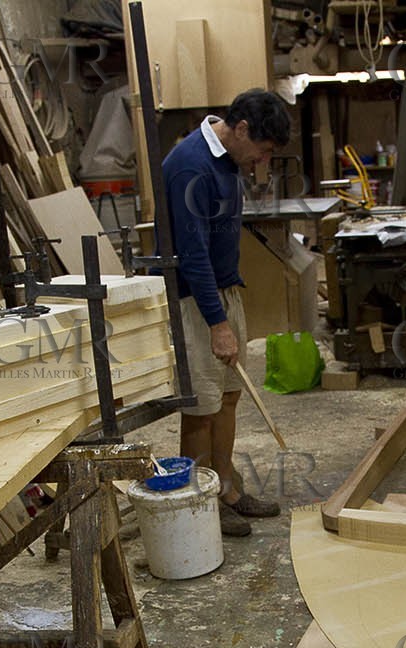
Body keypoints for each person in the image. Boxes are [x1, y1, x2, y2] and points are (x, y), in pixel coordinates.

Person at [162, 89, 292, 537]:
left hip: (224, 291)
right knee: (201, 407)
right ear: (240, 130)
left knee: (230, 395)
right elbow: (192, 254)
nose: (262, 160)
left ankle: (227, 489)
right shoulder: (189, 165)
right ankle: (200, 503)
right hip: (195, 302)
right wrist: (217, 323)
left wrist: (227, 311)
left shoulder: (227, 161)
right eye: (263, 150)